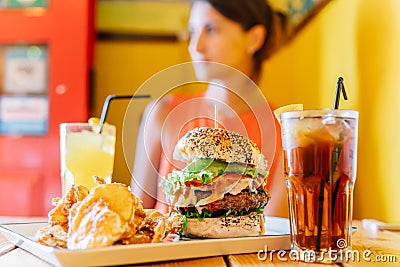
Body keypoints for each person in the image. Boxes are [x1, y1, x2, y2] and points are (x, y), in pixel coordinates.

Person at [131, 0, 289, 218]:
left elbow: (271, 233)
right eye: (193, 31)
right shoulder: (162, 112)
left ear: (254, 39)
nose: (196, 46)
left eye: (211, 29)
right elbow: (137, 216)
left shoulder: (285, 129)